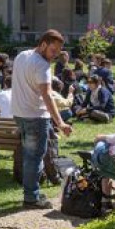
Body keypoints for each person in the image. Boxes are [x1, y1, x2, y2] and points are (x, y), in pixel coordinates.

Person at [11, 30, 73, 209]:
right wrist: (61, 123)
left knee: (29, 156)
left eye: (58, 52)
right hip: (35, 117)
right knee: (34, 157)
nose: (55, 56)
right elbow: (47, 96)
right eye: (53, 50)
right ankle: (31, 197)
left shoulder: (22, 56)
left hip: (19, 114)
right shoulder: (43, 66)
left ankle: (31, 192)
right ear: (43, 44)